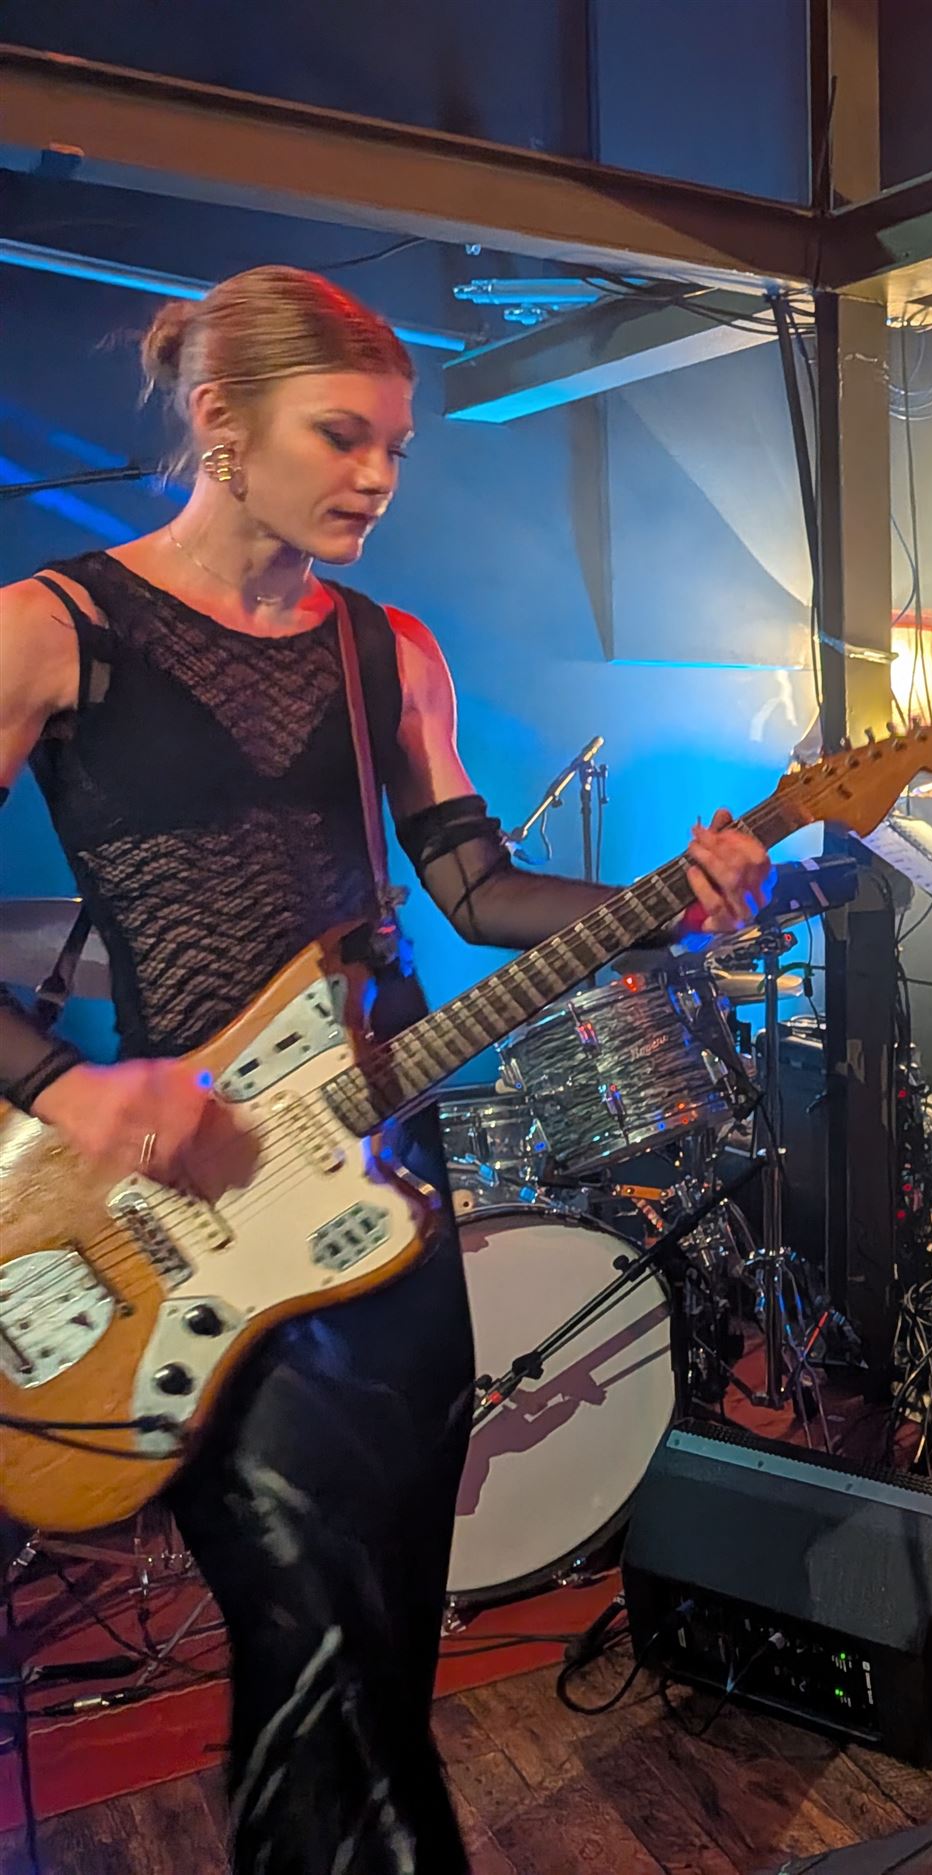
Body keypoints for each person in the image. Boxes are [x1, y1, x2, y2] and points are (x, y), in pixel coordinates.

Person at [0, 266, 771, 1873]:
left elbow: (476, 889)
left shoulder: (386, 647)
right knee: (320, 1653)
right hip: (190, 1212)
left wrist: (668, 901)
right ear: (220, 422)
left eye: (396, 448)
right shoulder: (54, 628)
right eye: (340, 436)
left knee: (382, 1640)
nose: (377, 477)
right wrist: (69, 1086)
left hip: (384, 1198)